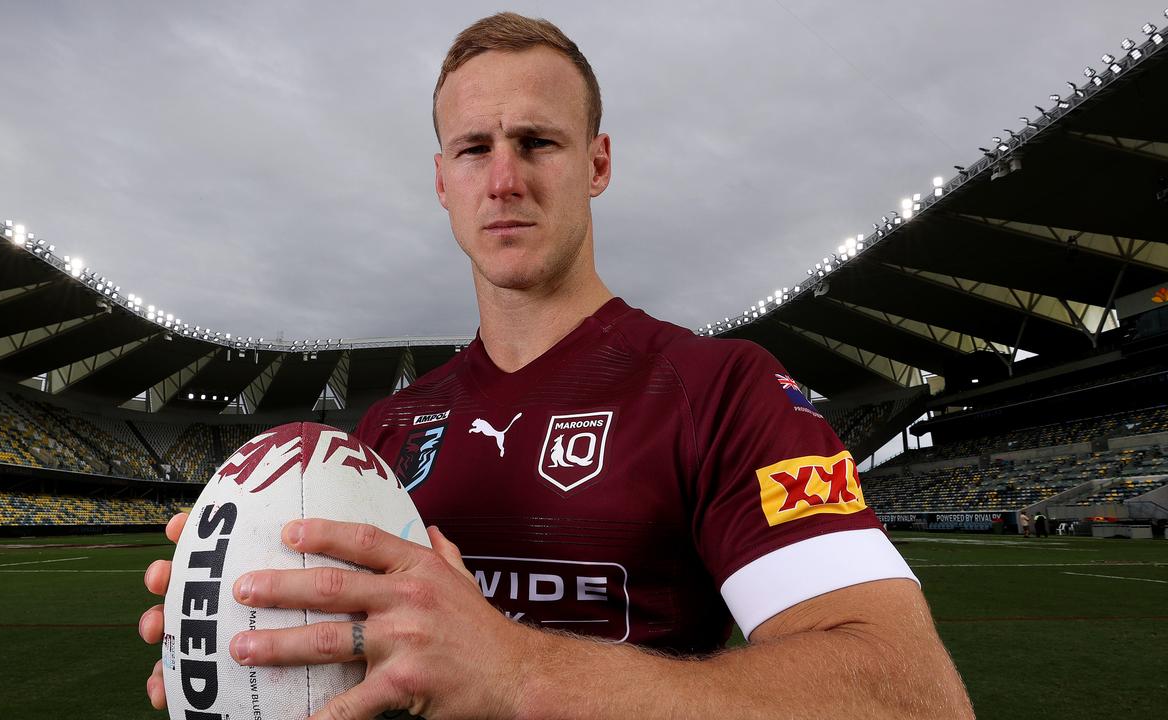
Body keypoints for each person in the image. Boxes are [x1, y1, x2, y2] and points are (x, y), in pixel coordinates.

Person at [138, 13, 973, 718]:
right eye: (473, 149)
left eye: (537, 142)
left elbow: (916, 693)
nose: (504, 180)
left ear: (597, 163)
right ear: (441, 181)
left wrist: (516, 671)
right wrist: (246, 653)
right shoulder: (385, 433)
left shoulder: (718, 389)